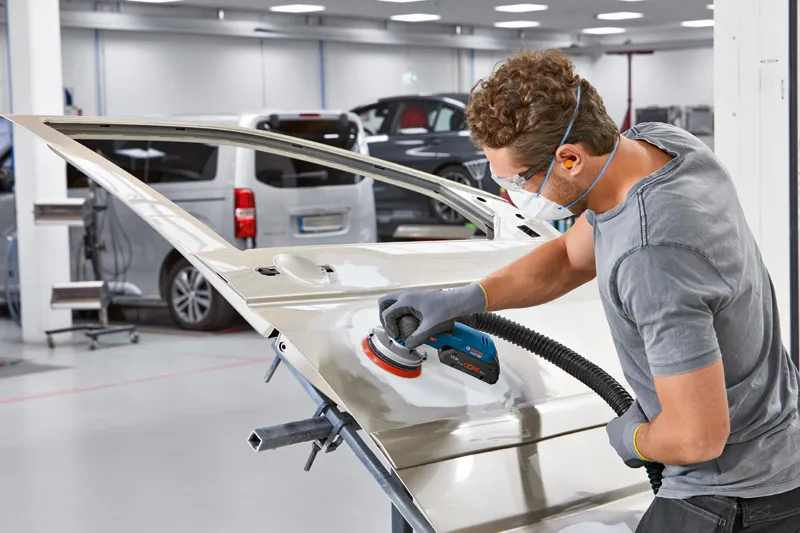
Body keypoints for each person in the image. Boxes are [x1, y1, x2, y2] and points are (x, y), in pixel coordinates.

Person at [378, 49, 800, 532]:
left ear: (570, 158)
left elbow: (696, 437)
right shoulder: (663, 147)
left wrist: (633, 440)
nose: (512, 195)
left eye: (517, 180)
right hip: (779, 458)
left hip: (728, 499)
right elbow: (569, 257)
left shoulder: (653, 255)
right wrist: (466, 297)